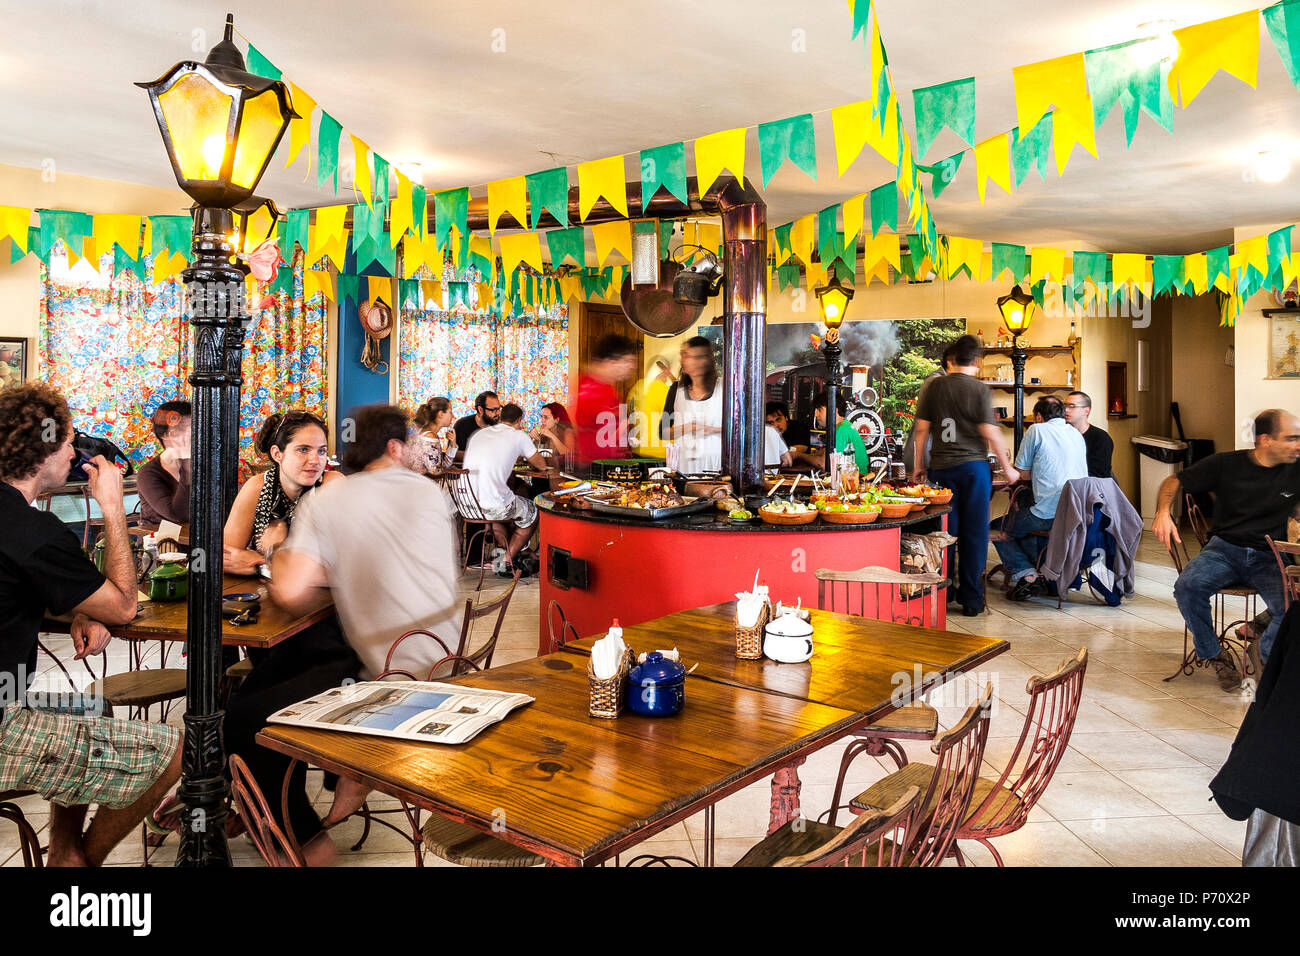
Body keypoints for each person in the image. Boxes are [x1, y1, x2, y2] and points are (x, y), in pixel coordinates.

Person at [237, 404, 463, 865]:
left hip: (384, 675)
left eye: (322, 450)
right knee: (282, 673)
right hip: (443, 659)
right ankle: (313, 784)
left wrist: (276, 545)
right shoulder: (428, 493)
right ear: (395, 447)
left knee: (244, 719)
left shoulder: (332, 500)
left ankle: (305, 842)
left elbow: (289, 589)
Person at [0, 382, 181, 866]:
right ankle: (81, 864)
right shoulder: (33, 530)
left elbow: (16, 588)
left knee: (89, 708)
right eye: (68, 442)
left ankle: (62, 850)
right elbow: (123, 606)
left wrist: (81, 605)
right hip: (2, 724)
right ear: (45, 454)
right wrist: (111, 507)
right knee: (176, 748)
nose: (75, 451)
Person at [1154, 408, 1300, 689]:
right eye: (1291, 438)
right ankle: (1215, 655)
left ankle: (1265, 654)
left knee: (1291, 606)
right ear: (1266, 440)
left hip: (1269, 555)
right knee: (1187, 587)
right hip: (1224, 550)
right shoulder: (1226, 464)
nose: (1297, 445)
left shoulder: (1296, 470)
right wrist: (1162, 512)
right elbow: (1175, 481)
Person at [911, 334, 1019, 616]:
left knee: (944, 532)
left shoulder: (934, 387)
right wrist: (1007, 469)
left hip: (941, 468)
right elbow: (988, 430)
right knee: (974, 534)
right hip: (973, 469)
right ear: (978, 361)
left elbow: (921, 429)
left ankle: (943, 593)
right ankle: (971, 599)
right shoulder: (978, 389)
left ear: (952, 360)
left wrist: (919, 464)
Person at [993, 395, 1088, 601]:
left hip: (1049, 513)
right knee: (1024, 517)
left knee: (996, 528)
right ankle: (1044, 574)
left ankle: (1028, 575)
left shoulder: (1036, 430)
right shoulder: (1076, 433)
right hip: (1077, 513)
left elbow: (1023, 474)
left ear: (1038, 416)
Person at [223, 411, 340, 576]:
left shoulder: (332, 485)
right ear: (277, 454)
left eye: (321, 451)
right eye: (304, 449)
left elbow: (339, 568)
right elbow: (226, 556)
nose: (315, 460)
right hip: (267, 594)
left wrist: (263, 563)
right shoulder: (257, 487)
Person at [463, 402, 550, 575]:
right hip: (491, 505)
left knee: (502, 505)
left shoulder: (479, 433)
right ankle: (506, 561)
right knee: (534, 510)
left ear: (501, 417)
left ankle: (509, 552)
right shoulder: (519, 436)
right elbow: (540, 464)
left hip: (467, 503)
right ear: (519, 420)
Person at [575, 335, 638, 467]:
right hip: (596, 468)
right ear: (610, 362)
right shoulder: (590, 389)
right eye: (627, 361)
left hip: (613, 466)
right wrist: (621, 428)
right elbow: (588, 437)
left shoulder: (609, 388)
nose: (632, 366)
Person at [663, 336, 723, 473]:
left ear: (704, 360)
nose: (682, 360)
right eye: (683, 355)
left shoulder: (724, 388)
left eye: (687, 355)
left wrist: (712, 429)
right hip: (683, 467)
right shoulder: (675, 389)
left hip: (716, 465)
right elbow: (664, 432)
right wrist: (686, 428)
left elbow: (740, 429)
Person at [136, 400, 192, 524]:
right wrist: (188, 462)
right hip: (159, 541)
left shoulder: (201, 466)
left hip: (194, 539)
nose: (193, 435)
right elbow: (178, 515)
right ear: (166, 435)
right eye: (185, 429)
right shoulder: (148, 473)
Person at [811, 389, 871, 474]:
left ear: (833, 410)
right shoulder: (845, 426)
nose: (816, 414)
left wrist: (799, 456)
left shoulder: (841, 430)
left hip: (854, 483)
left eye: (819, 409)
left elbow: (823, 464)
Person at [1064, 391, 1114, 479]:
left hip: (1091, 489)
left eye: (1072, 406)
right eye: (1065, 406)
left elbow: (1098, 475)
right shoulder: (1061, 435)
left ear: (1086, 411)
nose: (1066, 410)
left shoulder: (1101, 438)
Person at [411, 396, 457, 474]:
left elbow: (440, 467)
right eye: (450, 412)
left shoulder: (424, 433)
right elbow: (435, 472)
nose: (453, 416)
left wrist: (453, 444)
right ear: (441, 414)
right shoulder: (430, 437)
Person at [766, 401, 815, 465]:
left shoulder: (799, 427)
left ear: (786, 418)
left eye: (778, 420)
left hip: (800, 472)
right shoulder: (766, 433)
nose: (776, 425)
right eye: (771, 423)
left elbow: (801, 447)